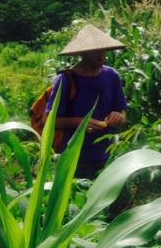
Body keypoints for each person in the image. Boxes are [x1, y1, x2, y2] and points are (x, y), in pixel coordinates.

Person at [46, 24, 128, 179]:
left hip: (108, 154)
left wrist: (118, 116)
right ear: (83, 53)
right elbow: (49, 120)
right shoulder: (65, 80)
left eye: (103, 50)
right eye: (96, 51)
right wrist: (81, 122)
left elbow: (123, 113)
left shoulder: (112, 76)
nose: (102, 55)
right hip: (74, 156)